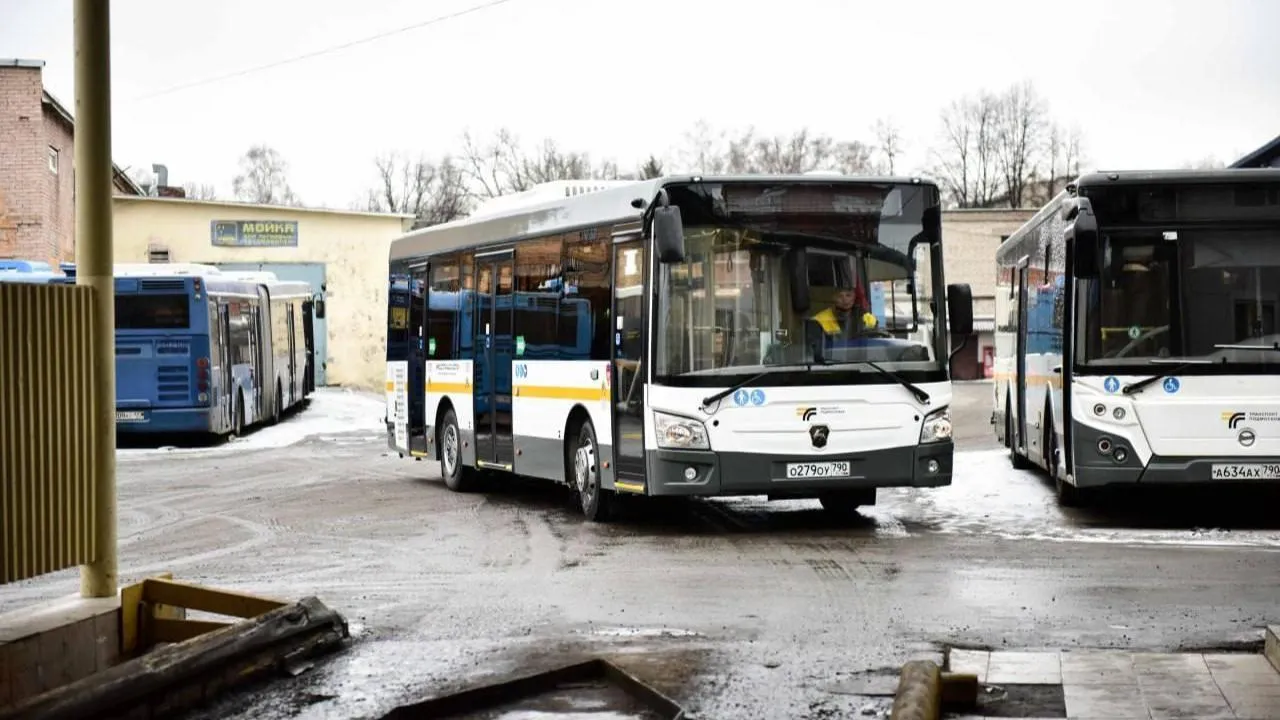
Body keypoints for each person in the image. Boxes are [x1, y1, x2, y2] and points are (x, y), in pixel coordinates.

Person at [806, 282, 879, 357]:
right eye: (840, 296)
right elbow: (812, 353)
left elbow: (876, 346)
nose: (845, 300)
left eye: (848, 295)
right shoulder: (818, 320)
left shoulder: (867, 317)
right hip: (832, 365)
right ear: (833, 297)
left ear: (854, 296)